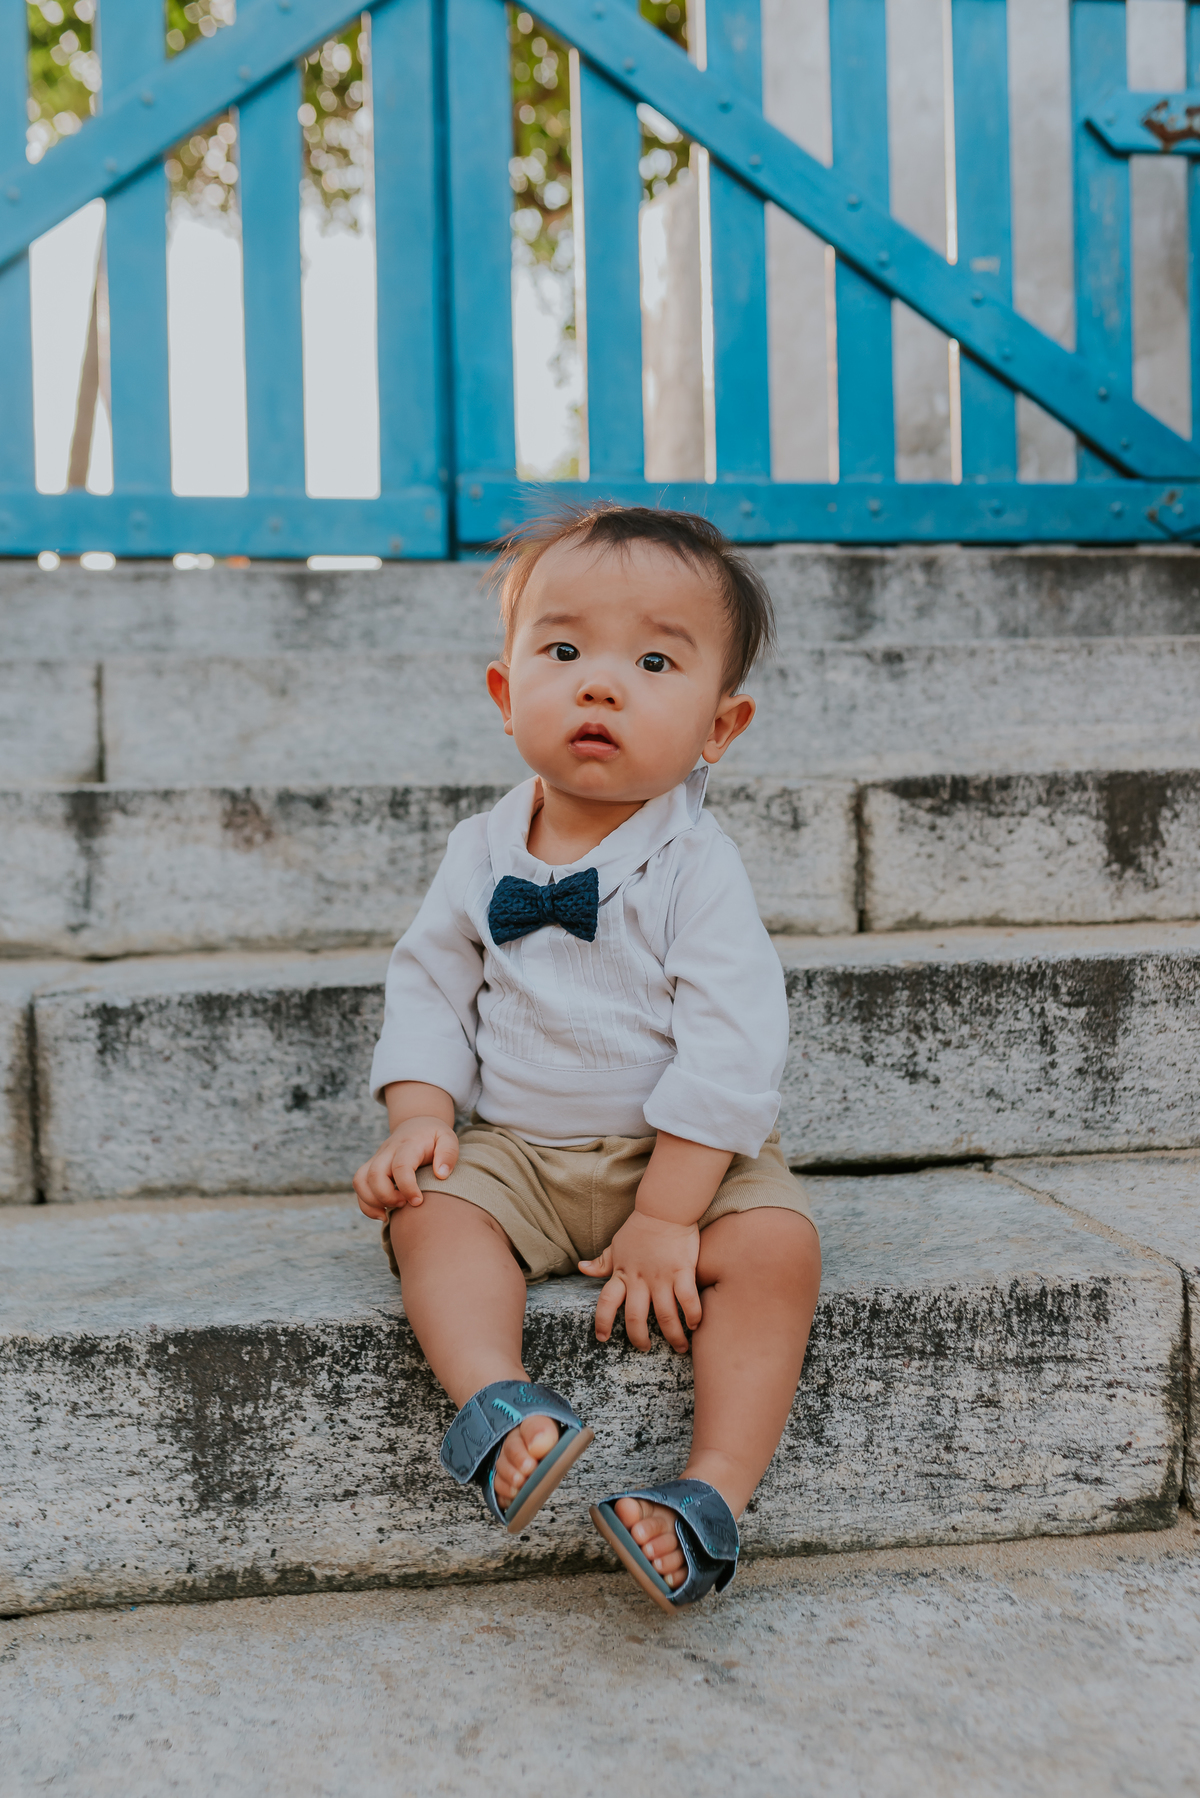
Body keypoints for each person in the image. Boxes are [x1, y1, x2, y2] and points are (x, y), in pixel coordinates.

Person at [353, 504, 821, 1611]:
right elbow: (429, 987)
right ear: (508, 695)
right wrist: (420, 1115)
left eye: (655, 660)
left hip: (689, 1160)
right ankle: (501, 1400)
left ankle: (709, 1495)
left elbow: (733, 1048)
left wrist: (668, 1213)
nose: (602, 683)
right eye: (564, 652)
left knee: (780, 1251)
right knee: (427, 1209)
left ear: (720, 724)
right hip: (521, 1149)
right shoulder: (479, 850)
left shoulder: (699, 867)